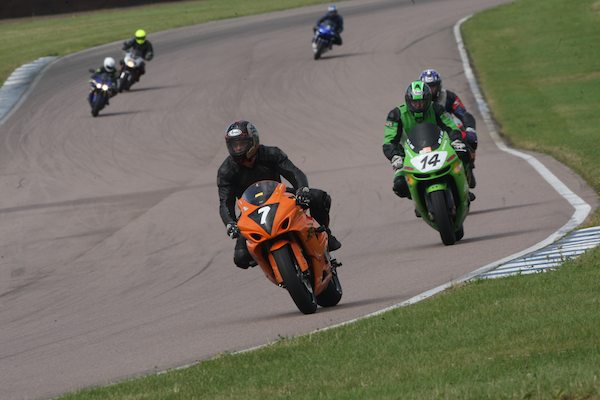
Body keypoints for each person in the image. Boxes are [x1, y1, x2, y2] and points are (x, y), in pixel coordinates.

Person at [217, 120, 342, 269]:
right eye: (234, 145)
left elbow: (294, 172)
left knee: (318, 197)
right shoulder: (226, 171)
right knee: (241, 257)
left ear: (253, 141)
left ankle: (324, 233)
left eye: (241, 144)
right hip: (249, 210)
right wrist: (230, 223)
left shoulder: (271, 154)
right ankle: (274, 262)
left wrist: (302, 190)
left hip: (279, 196)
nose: (238, 148)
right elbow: (225, 202)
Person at [383, 80, 473, 200]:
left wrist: (456, 140)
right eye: (415, 102)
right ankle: (418, 200)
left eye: (422, 101)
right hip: (407, 155)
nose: (418, 105)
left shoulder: (436, 108)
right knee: (400, 185)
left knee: (464, 153)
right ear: (408, 100)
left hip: (439, 148)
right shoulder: (396, 115)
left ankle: (464, 188)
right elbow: (389, 141)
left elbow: (451, 127)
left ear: (428, 100)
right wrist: (395, 156)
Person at [419, 68, 478, 187]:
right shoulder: (417, 101)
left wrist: (470, 129)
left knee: (469, 138)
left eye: (433, 86)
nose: (430, 90)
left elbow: (463, 114)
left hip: (449, 131)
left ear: (439, 86)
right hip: (428, 135)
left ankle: (468, 168)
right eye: (427, 87)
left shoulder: (448, 96)